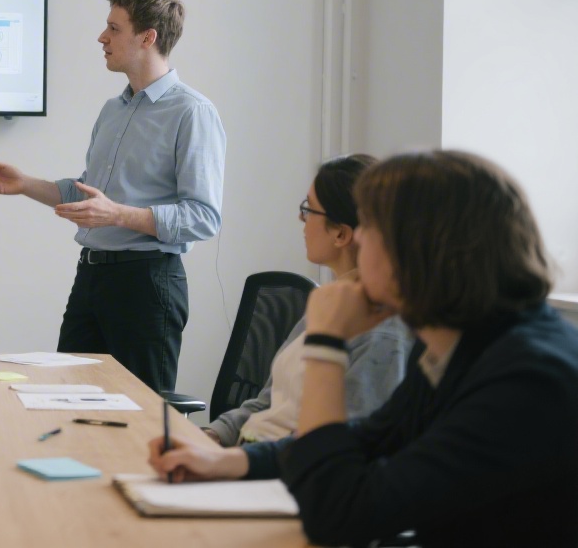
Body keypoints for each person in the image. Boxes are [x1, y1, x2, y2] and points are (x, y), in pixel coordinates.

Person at [150, 150, 578, 547]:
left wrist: (325, 343)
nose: (358, 242)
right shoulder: (462, 344)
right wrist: (230, 463)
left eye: (369, 229)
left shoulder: (529, 378)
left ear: (417, 250)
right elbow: (371, 437)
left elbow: (338, 514)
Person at [0, 0, 225, 391]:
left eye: (113, 28)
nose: (102, 38)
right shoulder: (113, 109)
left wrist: (118, 214)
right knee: (67, 402)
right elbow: (89, 194)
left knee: (140, 420)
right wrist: (25, 185)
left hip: (147, 285)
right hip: (91, 280)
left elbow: (203, 217)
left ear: (147, 37)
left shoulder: (192, 112)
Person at [203, 154, 410, 456]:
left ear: (340, 233)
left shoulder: (383, 332)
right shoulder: (327, 302)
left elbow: (340, 447)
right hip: (246, 455)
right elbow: (270, 400)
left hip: (280, 475)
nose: (301, 220)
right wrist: (213, 434)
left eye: (308, 209)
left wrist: (236, 460)